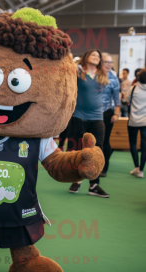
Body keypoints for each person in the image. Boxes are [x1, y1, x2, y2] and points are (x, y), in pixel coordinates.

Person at [68, 49, 110, 197]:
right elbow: (69, 66)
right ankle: (77, 180)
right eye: (93, 55)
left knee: (97, 150)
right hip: (80, 117)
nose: (96, 57)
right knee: (80, 149)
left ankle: (94, 185)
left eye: (98, 56)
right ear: (86, 57)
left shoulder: (102, 75)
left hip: (97, 118)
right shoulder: (78, 72)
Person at [100, 53, 121, 177]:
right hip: (91, 113)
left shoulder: (113, 77)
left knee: (104, 141)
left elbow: (117, 98)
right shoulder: (92, 75)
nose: (108, 65)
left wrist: (117, 114)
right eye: (105, 62)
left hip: (107, 112)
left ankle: (104, 168)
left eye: (110, 62)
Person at [126, 69, 146, 178]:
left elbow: (127, 100)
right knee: (145, 146)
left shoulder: (133, 89)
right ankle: (141, 170)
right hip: (145, 122)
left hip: (133, 121)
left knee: (133, 143)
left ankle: (136, 167)